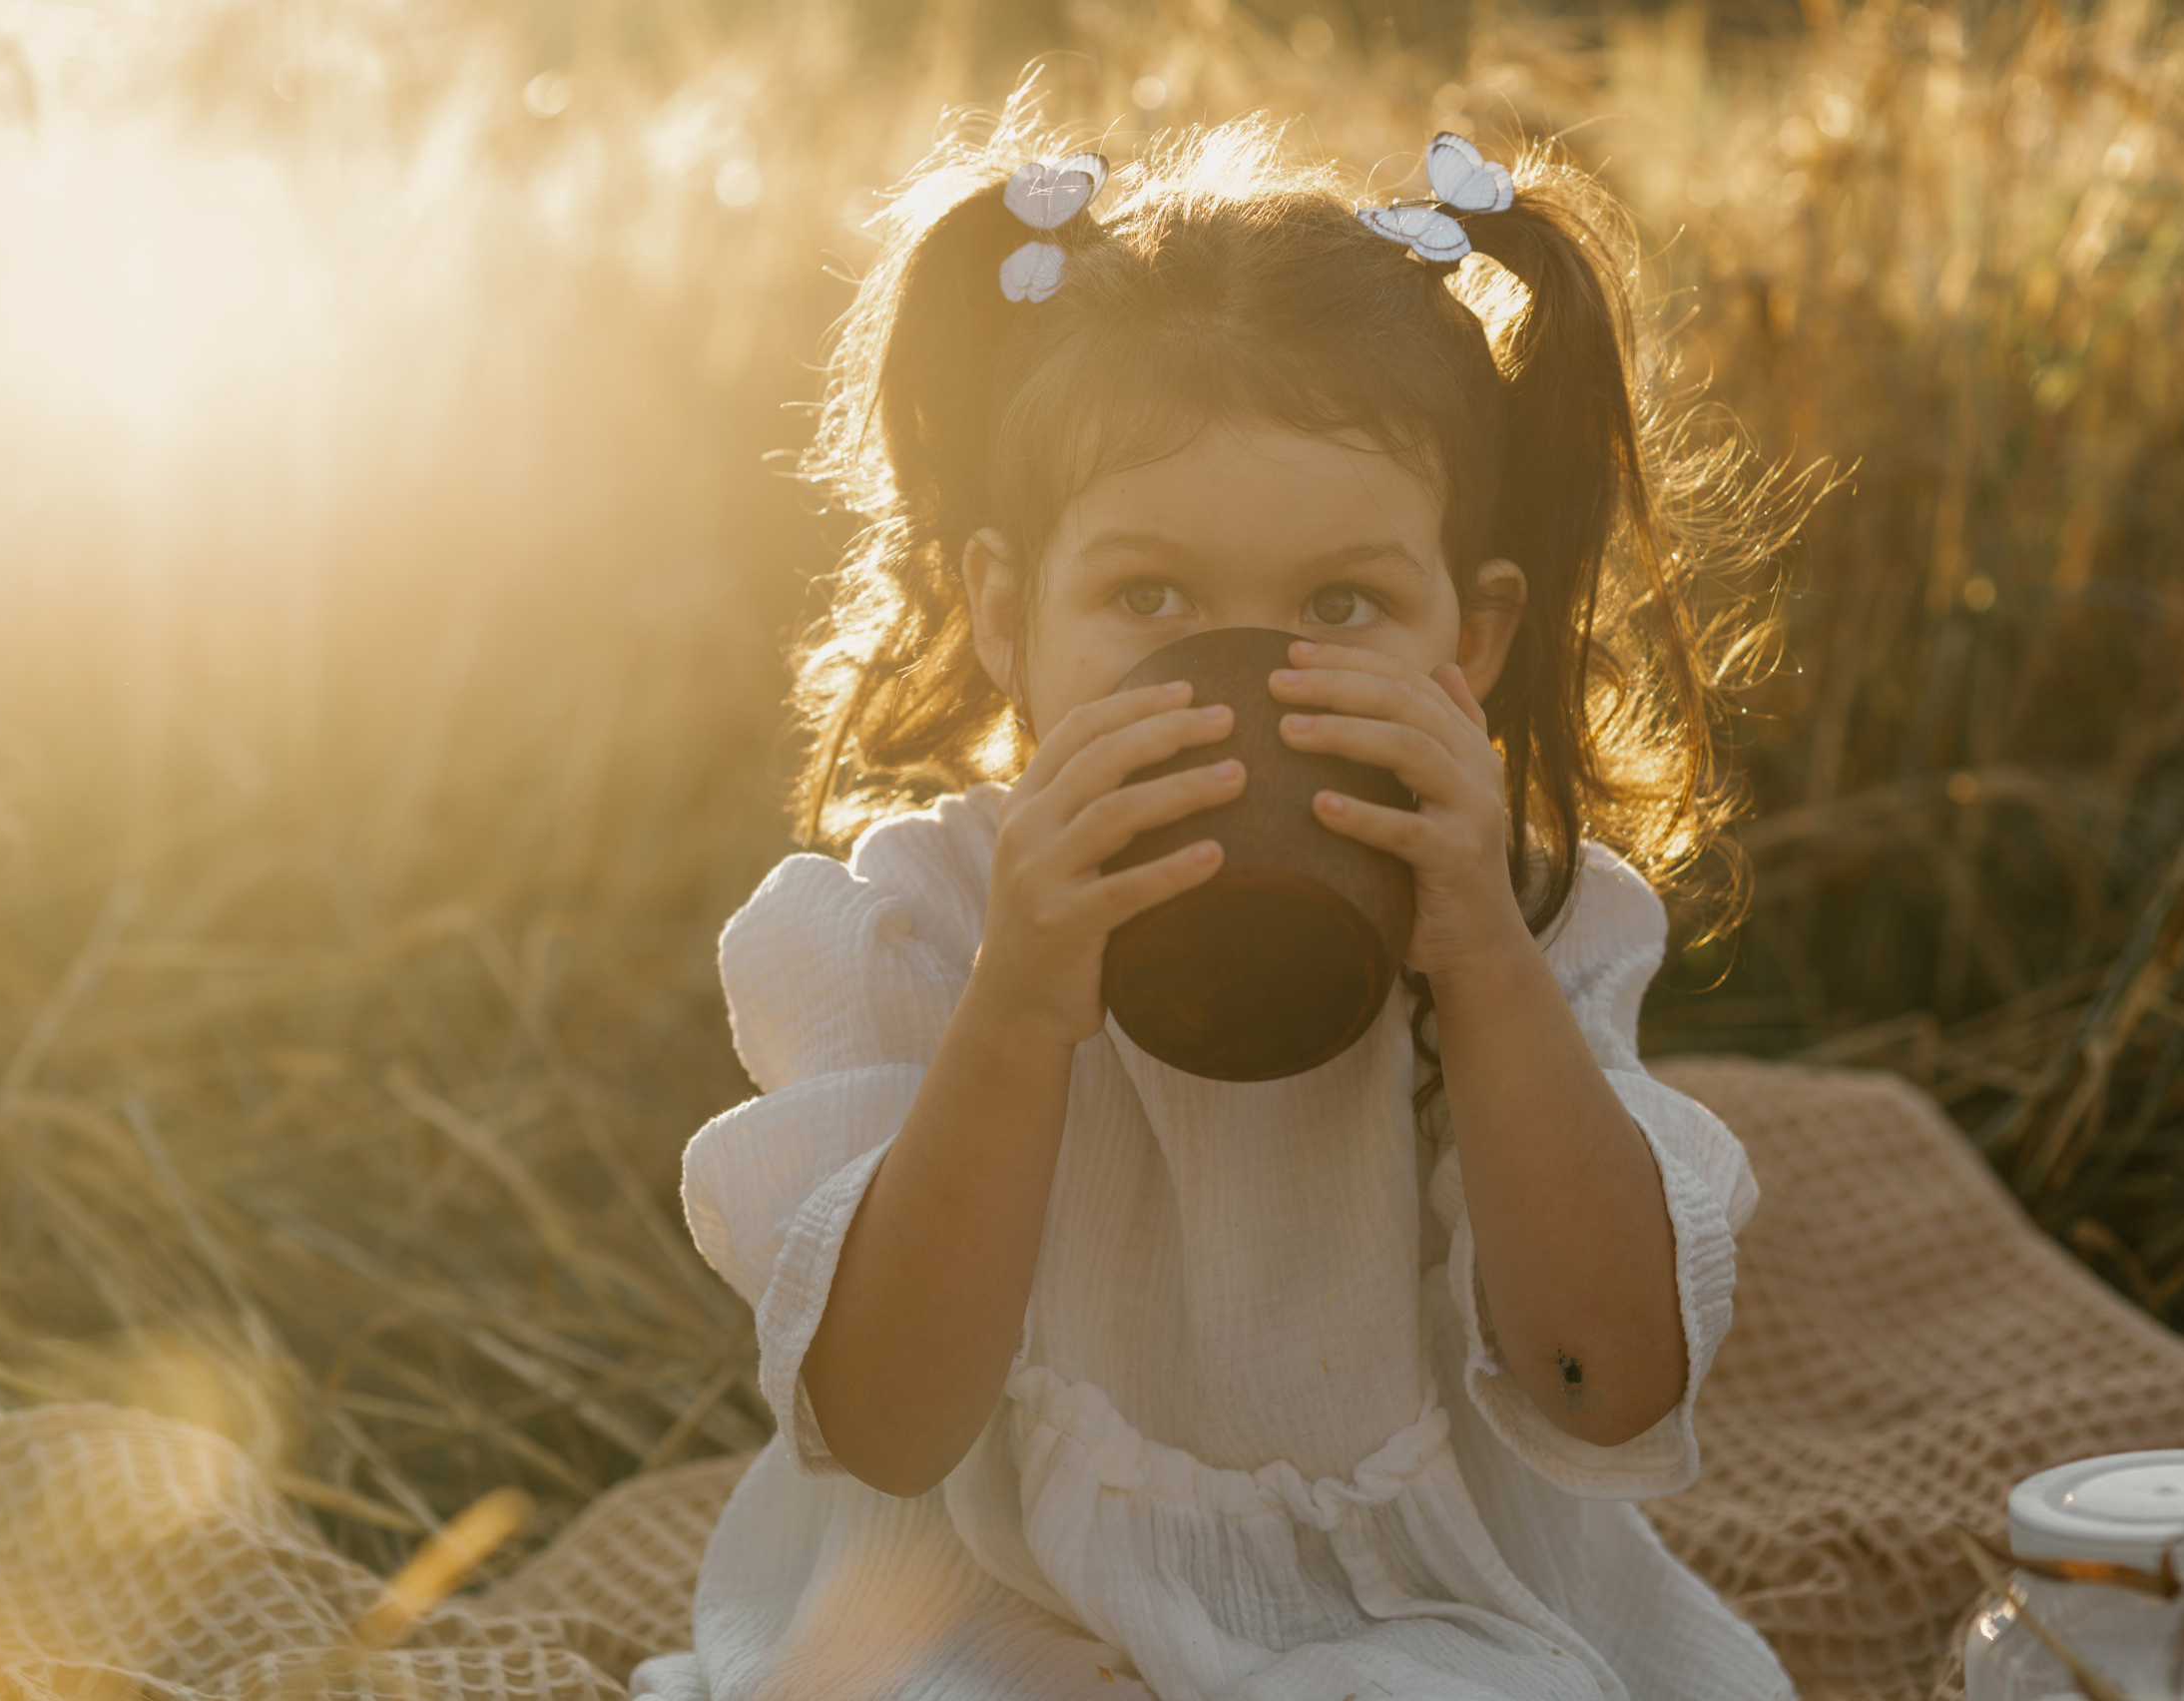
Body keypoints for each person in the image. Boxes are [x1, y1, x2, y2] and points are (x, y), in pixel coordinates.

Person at [633, 105, 1799, 1701]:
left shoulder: (1525, 923)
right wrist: (1027, 996)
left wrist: (1471, 951)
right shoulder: (917, 925)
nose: (1239, 678)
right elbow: (892, 1426)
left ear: (1465, 644)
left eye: (1342, 606)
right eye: (1149, 599)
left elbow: (1602, 1382)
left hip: (1400, 1614)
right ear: (1006, 613)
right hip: (993, 1602)